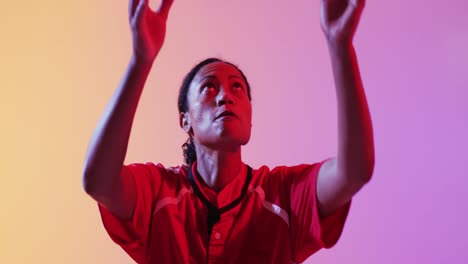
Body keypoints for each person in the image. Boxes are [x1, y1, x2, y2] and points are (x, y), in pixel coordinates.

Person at [82, 0, 375, 263]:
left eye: (238, 87)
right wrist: (140, 61)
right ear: (185, 121)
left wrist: (341, 46)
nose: (225, 96)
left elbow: (354, 172)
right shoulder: (158, 192)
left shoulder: (283, 195)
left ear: (250, 120)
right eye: (209, 87)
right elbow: (98, 182)